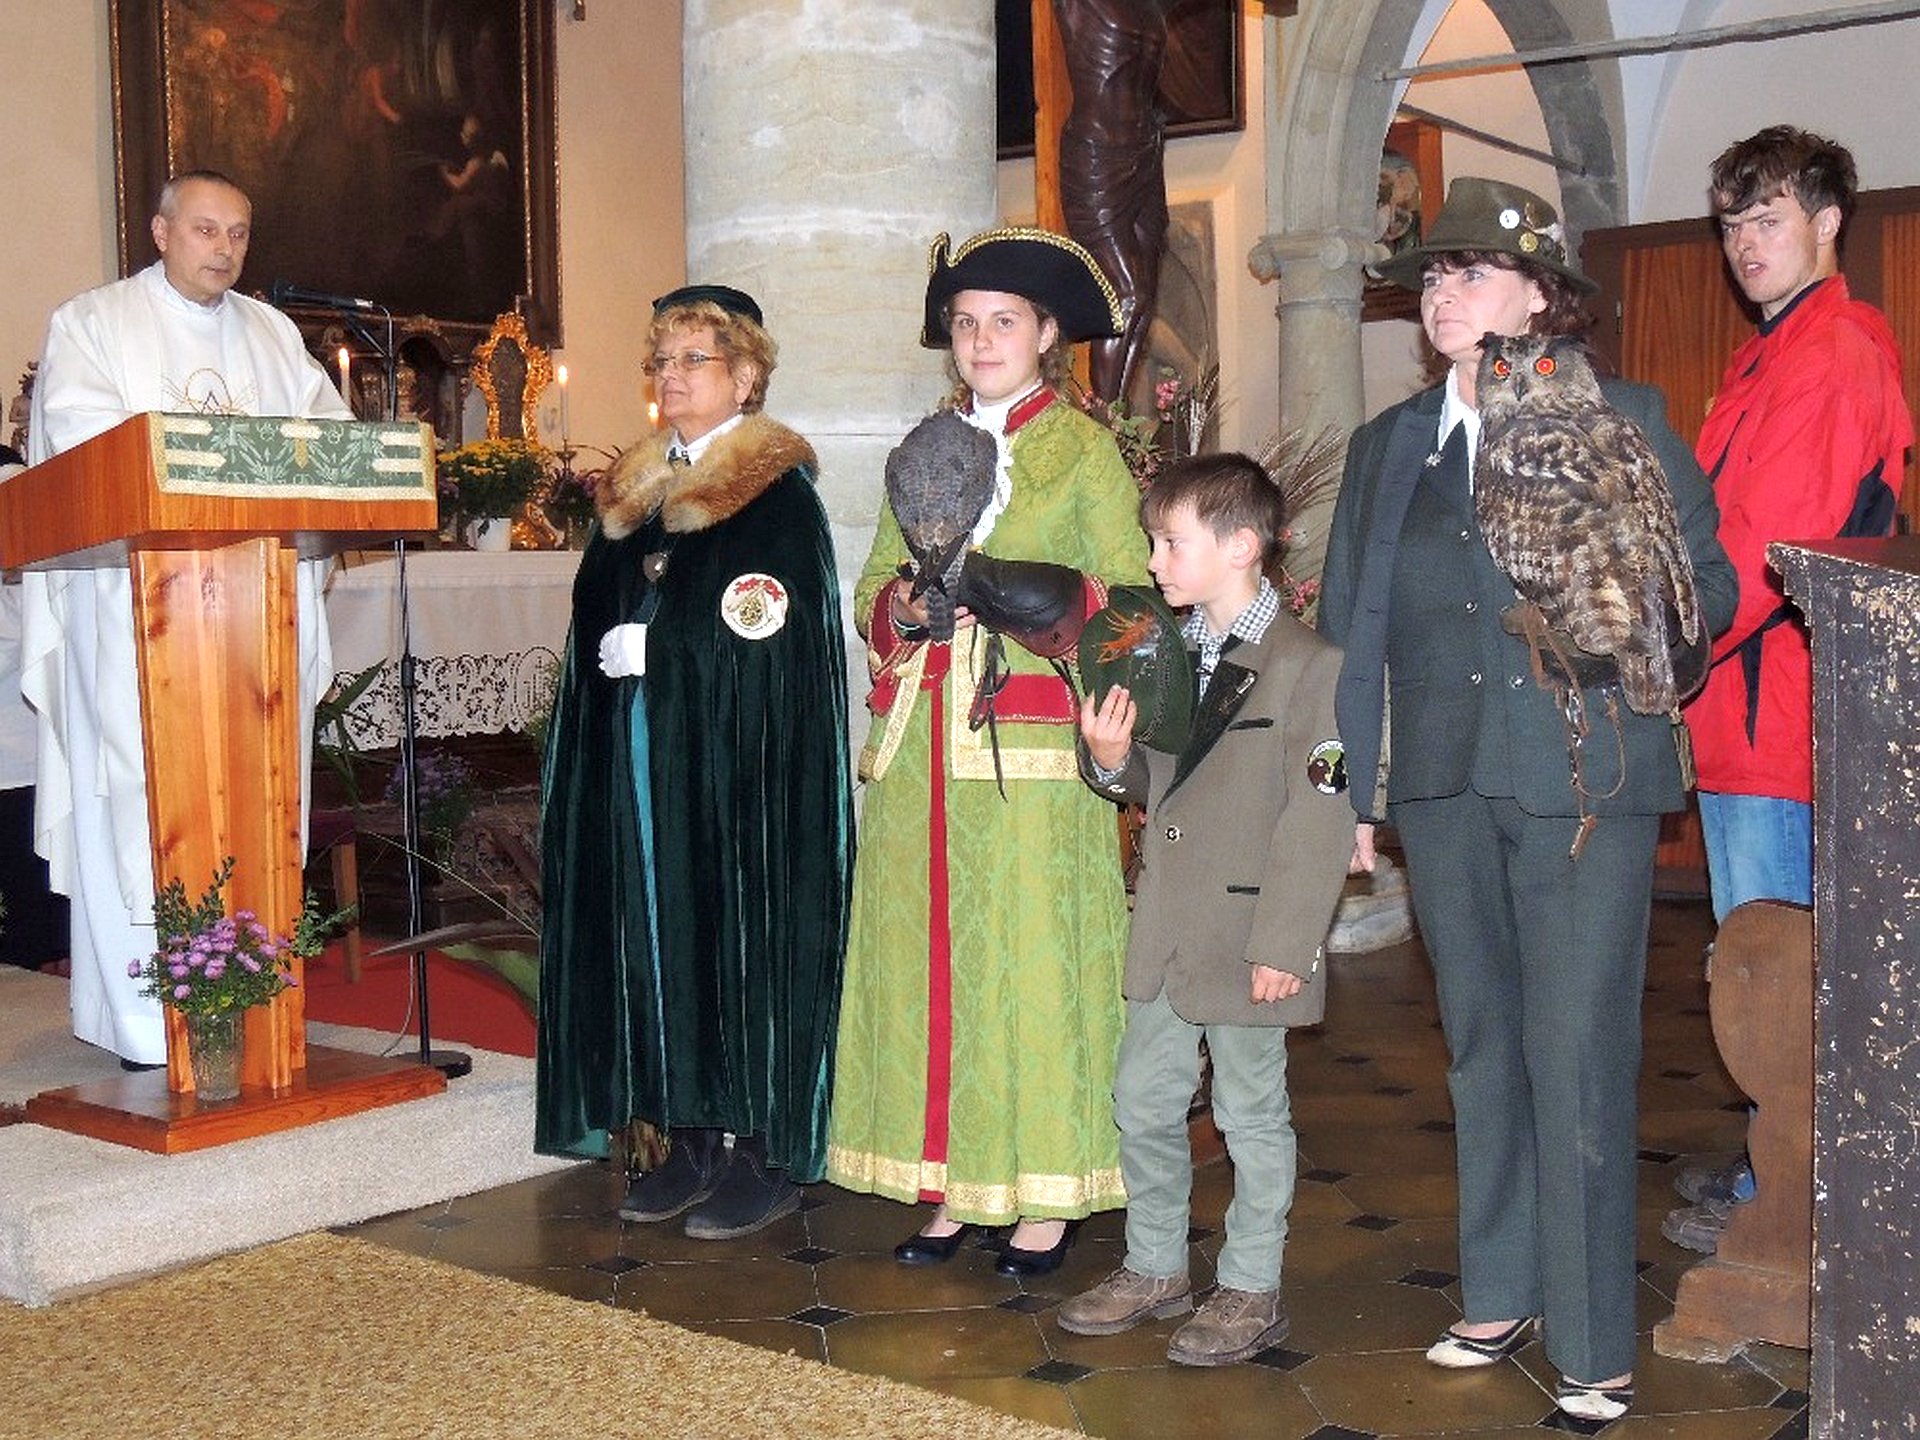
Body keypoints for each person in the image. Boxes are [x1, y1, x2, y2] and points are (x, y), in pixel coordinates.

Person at [1317, 177, 1738, 1423]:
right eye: (1434, 276)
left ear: (1543, 295)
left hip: (1584, 775)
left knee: (1578, 1049)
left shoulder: (1623, 416)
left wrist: (1617, 619)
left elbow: (1708, 584)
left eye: (1473, 273)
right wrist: (1340, 791)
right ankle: (1500, 1287)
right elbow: (1348, 633)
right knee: (1482, 1044)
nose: (1445, 293)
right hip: (1443, 783)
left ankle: (1596, 1336)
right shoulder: (1391, 445)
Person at [826, 227, 1150, 1276]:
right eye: (965, 324)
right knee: (931, 968)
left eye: (1004, 321)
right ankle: (951, 1185)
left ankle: (1045, 1196)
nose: (981, 341)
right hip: (922, 745)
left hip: (1033, 753)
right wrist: (904, 605)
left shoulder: (1082, 452)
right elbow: (871, 591)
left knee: (1029, 968)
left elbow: (1132, 601)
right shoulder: (924, 448)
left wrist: (1024, 595)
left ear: (1047, 334)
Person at [536, 284, 854, 1243]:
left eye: (693, 361)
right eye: (661, 362)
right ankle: (689, 1135)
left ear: (746, 377)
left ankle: (758, 1147)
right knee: (657, 930)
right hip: (641, 759)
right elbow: (602, 610)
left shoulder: (774, 493)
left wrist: (665, 651)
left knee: (731, 930)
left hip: (735, 772)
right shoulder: (636, 494)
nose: (671, 377)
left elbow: (772, 626)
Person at [20, 170, 351, 1065]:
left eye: (239, 233)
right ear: (161, 232)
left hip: (254, 612)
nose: (225, 248)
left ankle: (256, 1003)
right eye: (206, 230)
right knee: (138, 791)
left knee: (259, 784)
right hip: (138, 609)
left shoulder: (273, 333)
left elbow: (332, 438)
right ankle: (145, 1021)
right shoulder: (93, 324)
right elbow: (86, 449)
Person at [1665, 126, 1912, 1255]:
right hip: (1743, 715)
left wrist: (1658, 651)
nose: (1744, 244)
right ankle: (1783, 1170)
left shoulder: (1832, 351)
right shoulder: (1769, 353)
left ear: (1827, 223)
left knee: (1781, 972)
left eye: (1767, 219)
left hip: (1783, 722)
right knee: (1770, 969)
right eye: (1732, 225)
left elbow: (1767, 550)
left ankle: (1800, 1210)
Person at [1060, 452, 1353, 1365]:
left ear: (1240, 547)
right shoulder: (1170, 656)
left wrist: (1287, 944)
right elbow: (1161, 780)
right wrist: (1112, 758)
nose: (1154, 562)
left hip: (1249, 933)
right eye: (1154, 543)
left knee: (1249, 1113)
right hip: (1169, 925)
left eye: (1170, 543)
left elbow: (1320, 810)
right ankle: (1154, 1266)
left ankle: (1250, 1285)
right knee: (1142, 1101)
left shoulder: (1310, 665)